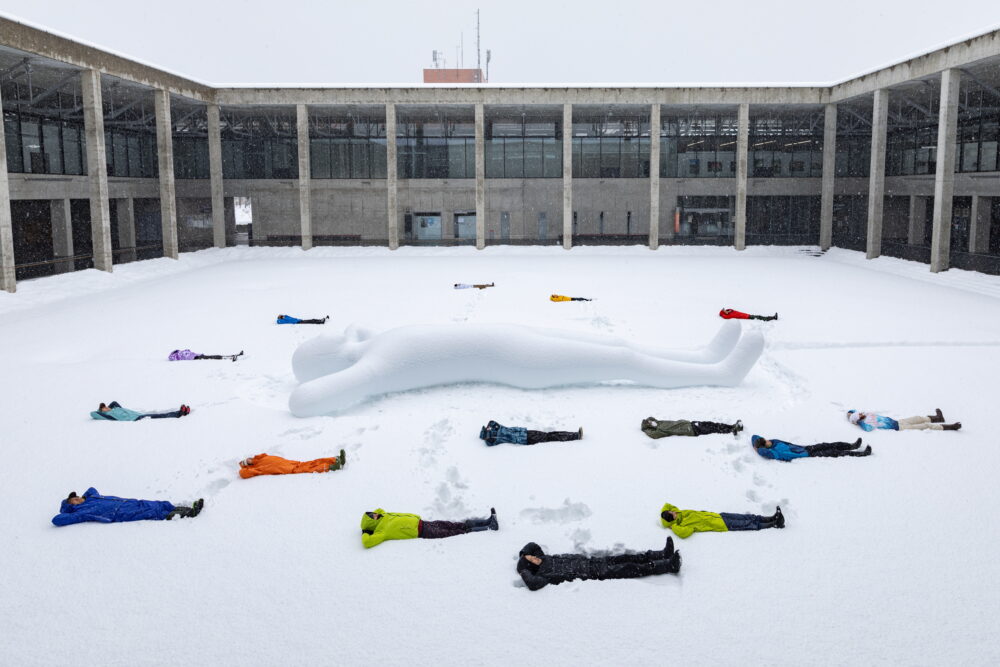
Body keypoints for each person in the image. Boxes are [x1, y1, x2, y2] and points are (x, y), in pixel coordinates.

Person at [290, 321, 764, 417]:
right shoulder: (375, 364)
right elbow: (304, 400)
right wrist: (320, 383)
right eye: (328, 338)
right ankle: (720, 374)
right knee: (620, 362)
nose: (344, 328)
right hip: (520, 362)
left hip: (516, 335)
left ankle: (702, 357)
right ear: (326, 361)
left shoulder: (375, 341)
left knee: (618, 343)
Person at [516, 538, 681, 591]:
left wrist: (523, 554)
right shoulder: (543, 575)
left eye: (532, 557)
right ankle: (668, 565)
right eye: (531, 560)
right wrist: (523, 569)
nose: (534, 558)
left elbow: (533, 545)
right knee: (632, 568)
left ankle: (662, 554)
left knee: (627, 557)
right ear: (531, 567)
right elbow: (532, 584)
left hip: (594, 561)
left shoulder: (543, 558)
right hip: (595, 572)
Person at [52, 488, 204, 526]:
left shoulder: (89, 498)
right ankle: (189, 513)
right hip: (120, 513)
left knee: (156, 504)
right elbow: (57, 520)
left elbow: (91, 489)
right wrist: (70, 509)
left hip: (125, 502)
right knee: (152, 512)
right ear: (71, 505)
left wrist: (84, 497)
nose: (77, 498)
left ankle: (186, 507)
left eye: (76, 496)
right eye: (73, 500)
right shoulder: (80, 512)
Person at [360, 507, 498, 548]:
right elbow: (367, 542)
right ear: (371, 523)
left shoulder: (385, 516)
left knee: (455, 524)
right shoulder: (381, 531)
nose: (375, 515)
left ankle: (486, 521)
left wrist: (374, 514)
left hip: (424, 523)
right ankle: (489, 528)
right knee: (457, 532)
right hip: (423, 531)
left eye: (373, 514)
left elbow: (380, 509)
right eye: (372, 517)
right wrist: (365, 531)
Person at [660, 502, 784, 538]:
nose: (674, 511)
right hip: (722, 524)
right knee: (747, 524)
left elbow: (667, 504)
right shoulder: (681, 524)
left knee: (747, 517)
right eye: (673, 513)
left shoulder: (680, 512)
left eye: (672, 511)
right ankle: (773, 524)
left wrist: (665, 514)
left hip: (719, 516)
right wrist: (673, 527)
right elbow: (686, 533)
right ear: (673, 520)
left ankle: (771, 518)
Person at [239, 450, 346, 478]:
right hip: (287, 469)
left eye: (247, 459)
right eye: (246, 462)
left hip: (290, 462)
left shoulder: (260, 458)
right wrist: (244, 466)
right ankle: (332, 467)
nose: (248, 460)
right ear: (247, 465)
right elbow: (243, 473)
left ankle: (335, 459)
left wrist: (253, 459)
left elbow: (262, 455)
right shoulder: (256, 469)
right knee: (310, 468)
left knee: (311, 462)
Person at [752, 435, 871, 460]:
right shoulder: (774, 453)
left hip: (806, 448)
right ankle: (861, 454)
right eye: (765, 442)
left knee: (828, 444)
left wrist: (757, 442)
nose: (767, 441)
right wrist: (757, 448)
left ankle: (852, 446)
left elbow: (754, 436)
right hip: (807, 455)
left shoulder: (774, 442)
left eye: (765, 439)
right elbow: (763, 452)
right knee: (834, 452)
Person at [479, 420, 582, 446]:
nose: (488, 428)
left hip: (526, 433)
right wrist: (487, 434)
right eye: (487, 430)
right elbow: (489, 442)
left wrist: (488, 428)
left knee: (549, 435)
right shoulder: (495, 438)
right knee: (549, 437)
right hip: (525, 438)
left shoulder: (497, 428)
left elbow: (491, 422)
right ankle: (575, 436)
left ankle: (574, 435)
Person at [847, 408, 960, 431]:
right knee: (925, 426)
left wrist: (850, 413)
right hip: (900, 428)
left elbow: (853, 410)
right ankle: (951, 427)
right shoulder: (866, 423)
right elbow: (867, 429)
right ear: (859, 419)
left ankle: (938, 418)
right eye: (860, 415)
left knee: (918, 418)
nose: (861, 413)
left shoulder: (866, 414)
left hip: (898, 421)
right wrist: (858, 421)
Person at [641, 417, 743, 438]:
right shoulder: (658, 429)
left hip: (691, 424)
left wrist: (650, 421)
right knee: (713, 428)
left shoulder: (659, 423)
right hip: (690, 430)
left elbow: (651, 417)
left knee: (712, 424)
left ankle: (732, 427)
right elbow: (655, 435)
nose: (652, 422)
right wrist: (648, 428)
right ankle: (732, 429)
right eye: (649, 423)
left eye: (650, 421)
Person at [90, 401, 190, 421]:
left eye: (106, 407)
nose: (107, 408)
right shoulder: (110, 416)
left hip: (139, 415)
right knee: (161, 416)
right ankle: (179, 413)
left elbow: (114, 402)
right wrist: (101, 410)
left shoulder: (116, 408)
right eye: (105, 409)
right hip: (136, 418)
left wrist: (107, 407)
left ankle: (182, 412)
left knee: (160, 415)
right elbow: (93, 414)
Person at [169, 349, 244, 362]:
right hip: (196, 358)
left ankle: (234, 355)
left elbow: (189, 351)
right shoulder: (176, 355)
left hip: (198, 356)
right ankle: (231, 357)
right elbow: (171, 358)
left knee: (214, 356)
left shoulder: (181, 352)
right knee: (214, 357)